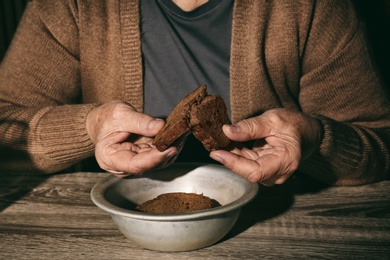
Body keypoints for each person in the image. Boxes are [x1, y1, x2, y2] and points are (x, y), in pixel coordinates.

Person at [0, 0, 389, 186]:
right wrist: (87, 128)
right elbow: (6, 130)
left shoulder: (313, 8)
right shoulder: (71, 6)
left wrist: (314, 139)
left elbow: (380, 147)